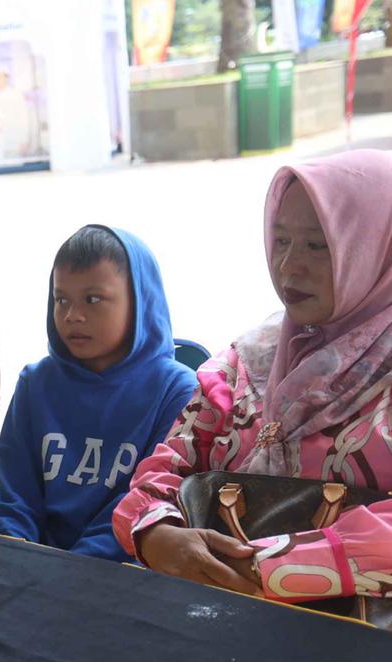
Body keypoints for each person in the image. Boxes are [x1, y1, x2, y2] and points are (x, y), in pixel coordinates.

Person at [113, 149, 392, 602]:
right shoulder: (247, 364)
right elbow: (166, 469)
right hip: (222, 623)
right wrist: (154, 531)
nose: (288, 267)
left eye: (318, 245)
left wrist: (269, 565)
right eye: (281, 241)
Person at [0, 225, 196, 560]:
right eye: (61, 300)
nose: (73, 316)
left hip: (123, 569)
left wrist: (71, 571)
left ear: (141, 301)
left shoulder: (177, 392)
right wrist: (15, 555)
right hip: (29, 565)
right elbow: (15, 500)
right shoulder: (35, 384)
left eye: (93, 299)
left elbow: (142, 508)